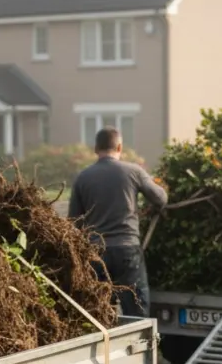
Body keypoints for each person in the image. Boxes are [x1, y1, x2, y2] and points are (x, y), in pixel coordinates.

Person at [67, 128, 167, 317]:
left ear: (96, 148)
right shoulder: (134, 171)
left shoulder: (82, 178)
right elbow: (160, 199)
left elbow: (73, 222)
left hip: (95, 253)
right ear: (120, 147)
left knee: (98, 312)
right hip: (127, 252)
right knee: (136, 311)